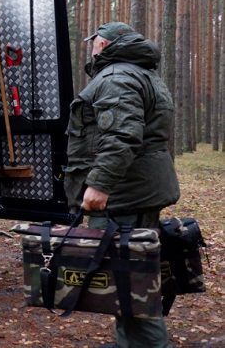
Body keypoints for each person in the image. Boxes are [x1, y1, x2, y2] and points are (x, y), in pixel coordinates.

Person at [65, 21, 180, 347]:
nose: (91, 46)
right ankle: (126, 342)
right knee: (128, 277)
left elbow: (122, 136)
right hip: (138, 192)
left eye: (95, 41)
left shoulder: (118, 77)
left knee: (132, 282)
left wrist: (99, 184)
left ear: (105, 44)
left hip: (123, 197)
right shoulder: (141, 74)